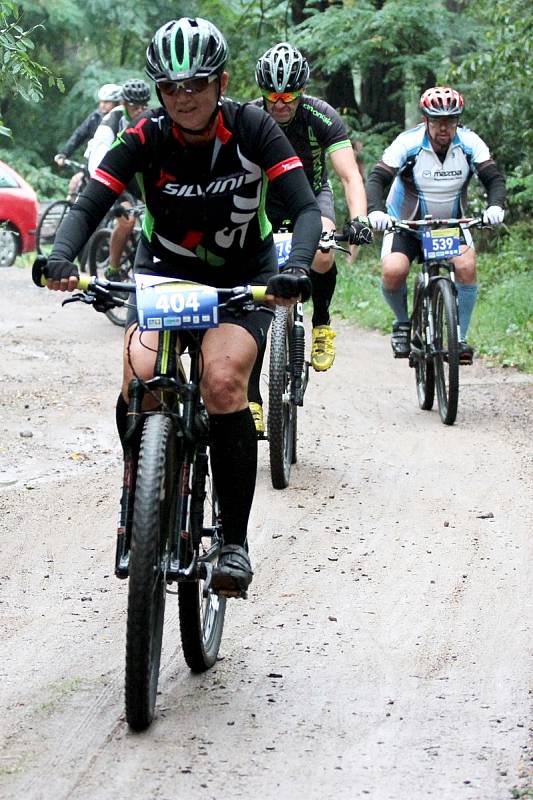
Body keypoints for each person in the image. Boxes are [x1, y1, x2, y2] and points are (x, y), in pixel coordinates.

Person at [42, 17, 321, 596]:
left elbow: (305, 206)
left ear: (220, 83)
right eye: (171, 88)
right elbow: (92, 200)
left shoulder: (256, 128)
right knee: (141, 375)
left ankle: (235, 543)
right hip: (164, 275)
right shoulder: (143, 138)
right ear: (159, 92)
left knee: (222, 383)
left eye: (195, 85)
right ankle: (141, 487)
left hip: (243, 279)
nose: (183, 97)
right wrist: (62, 255)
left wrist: (296, 266)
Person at [248, 42, 371, 433]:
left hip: (311, 195)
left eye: (288, 96)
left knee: (322, 252)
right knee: (254, 290)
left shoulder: (321, 115)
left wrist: (360, 219)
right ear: (262, 91)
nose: (280, 104)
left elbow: (349, 175)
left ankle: (321, 323)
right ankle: (251, 397)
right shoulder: (250, 116)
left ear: (301, 91)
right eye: (273, 96)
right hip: (265, 199)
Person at [366, 86, 506, 363]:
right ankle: (403, 324)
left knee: (466, 266)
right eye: (438, 121)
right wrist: (375, 211)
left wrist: (495, 206)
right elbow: (377, 178)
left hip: (448, 224)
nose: (445, 128)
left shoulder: (469, 143)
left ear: (458, 121)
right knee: (394, 270)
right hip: (407, 224)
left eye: (451, 121)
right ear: (426, 120)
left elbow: (494, 178)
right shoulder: (408, 143)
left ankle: (460, 338)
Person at [88, 78, 151, 277]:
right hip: (111, 174)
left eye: (143, 106)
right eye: (134, 106)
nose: (140, 111)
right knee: (127, 220)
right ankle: (113, 269)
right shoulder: (110, 123)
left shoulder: (148, 118)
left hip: (136, 173)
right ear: (124, 103)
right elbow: (97, 163)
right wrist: (111, 199)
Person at [54, 83, 123, 199]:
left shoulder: (121, 120)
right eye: (101, 101)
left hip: (113, 167)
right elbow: (79, 135)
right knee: (74, 185)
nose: (102, 105)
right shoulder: (95, 117)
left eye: (107, 102)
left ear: (117, 103)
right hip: (94, 163)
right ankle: (72, 213)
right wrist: (64, 154)